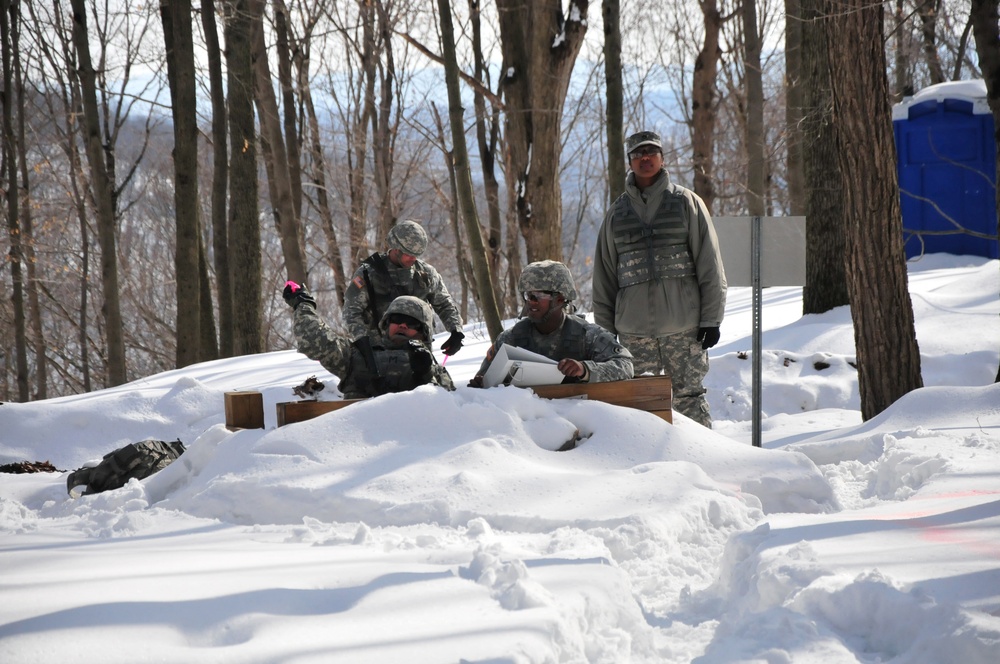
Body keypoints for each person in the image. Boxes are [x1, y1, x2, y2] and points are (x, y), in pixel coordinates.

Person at [592, 130, 727, 427]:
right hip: (633, 334)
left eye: (651, 152)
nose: (645, 158)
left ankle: (703, 466)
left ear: (662, 158)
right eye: (638, 154)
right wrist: (604, 335)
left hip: (684, 329)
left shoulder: (686, 203)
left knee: (689, 401)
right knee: (637, 405)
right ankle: (645, 469)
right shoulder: (616, 214)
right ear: (629, 161)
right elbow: (604, 278)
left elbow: (710, 266)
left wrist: (711, 320)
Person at [468, 260, 633, 388]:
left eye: (537, 296)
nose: (530, 302)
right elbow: (484, 380)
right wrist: (481, 385)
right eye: (528, 295)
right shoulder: (510, 339)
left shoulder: (587, 335)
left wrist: (585, 370)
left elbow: (625, 366)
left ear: (560, 299)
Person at [284, 282, 454, 399]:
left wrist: (426, 374)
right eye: (397, 319)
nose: (402, 325)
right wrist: (303, 304)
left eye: (411, 323)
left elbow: (446, 410)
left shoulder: (433, 368)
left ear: (423, 332)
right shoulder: (357, 355)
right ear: (386, 323)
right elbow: (314, 338)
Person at [343, 220, 465, 358]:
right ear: (396, 249)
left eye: (416, 255)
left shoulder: (425, 274)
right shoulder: (369, 273)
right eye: (409, 254)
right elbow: (351, 312)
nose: (413, 259)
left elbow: (444, 304)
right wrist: (362, 340)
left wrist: (456, 331)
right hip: (379, 353)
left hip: (420, 355)